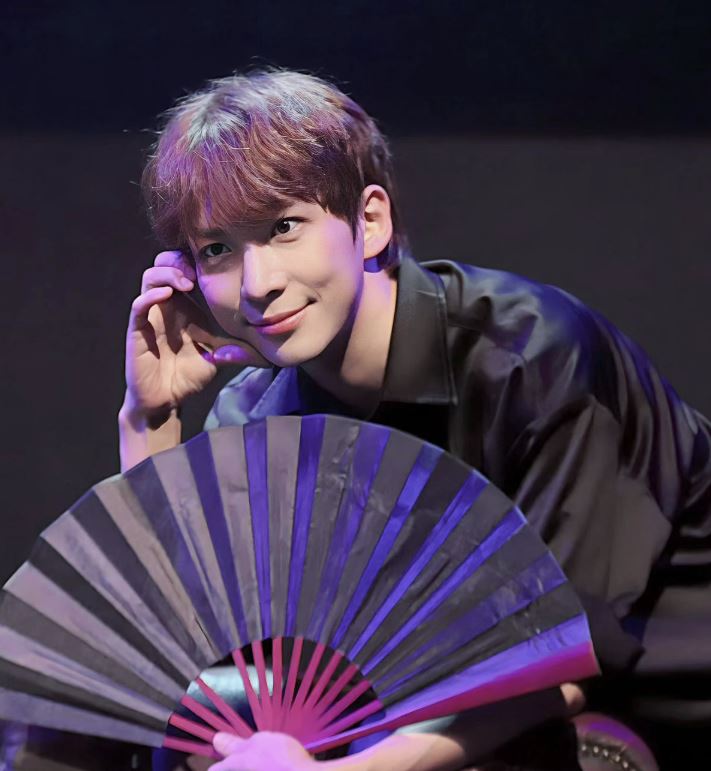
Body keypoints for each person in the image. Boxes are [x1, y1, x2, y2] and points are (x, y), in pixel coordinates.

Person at [116, 69, 710, 770]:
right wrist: (150, 419)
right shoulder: (256, 412)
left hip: (649, 716)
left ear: (369, 221)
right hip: (458, 724)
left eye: (284, 227)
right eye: (218, 249)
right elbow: (196, 650)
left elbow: (560, 663)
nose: (257, 283)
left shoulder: (532, 358)